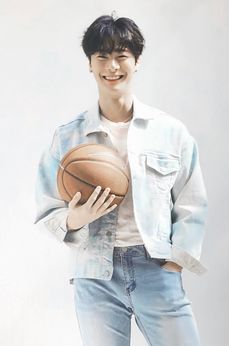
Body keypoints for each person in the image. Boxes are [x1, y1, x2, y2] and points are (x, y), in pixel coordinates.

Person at [35, 13, 208, 346]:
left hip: (155, 267)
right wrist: (76, 218)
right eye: (102, 56)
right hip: (95, 274)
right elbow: (47, 208)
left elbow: (192, 201)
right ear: (89, 63)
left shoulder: (170, 132)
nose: (111, 66)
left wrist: (175, 263)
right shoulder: (68, 138)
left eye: (121, 56)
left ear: (136, 61)